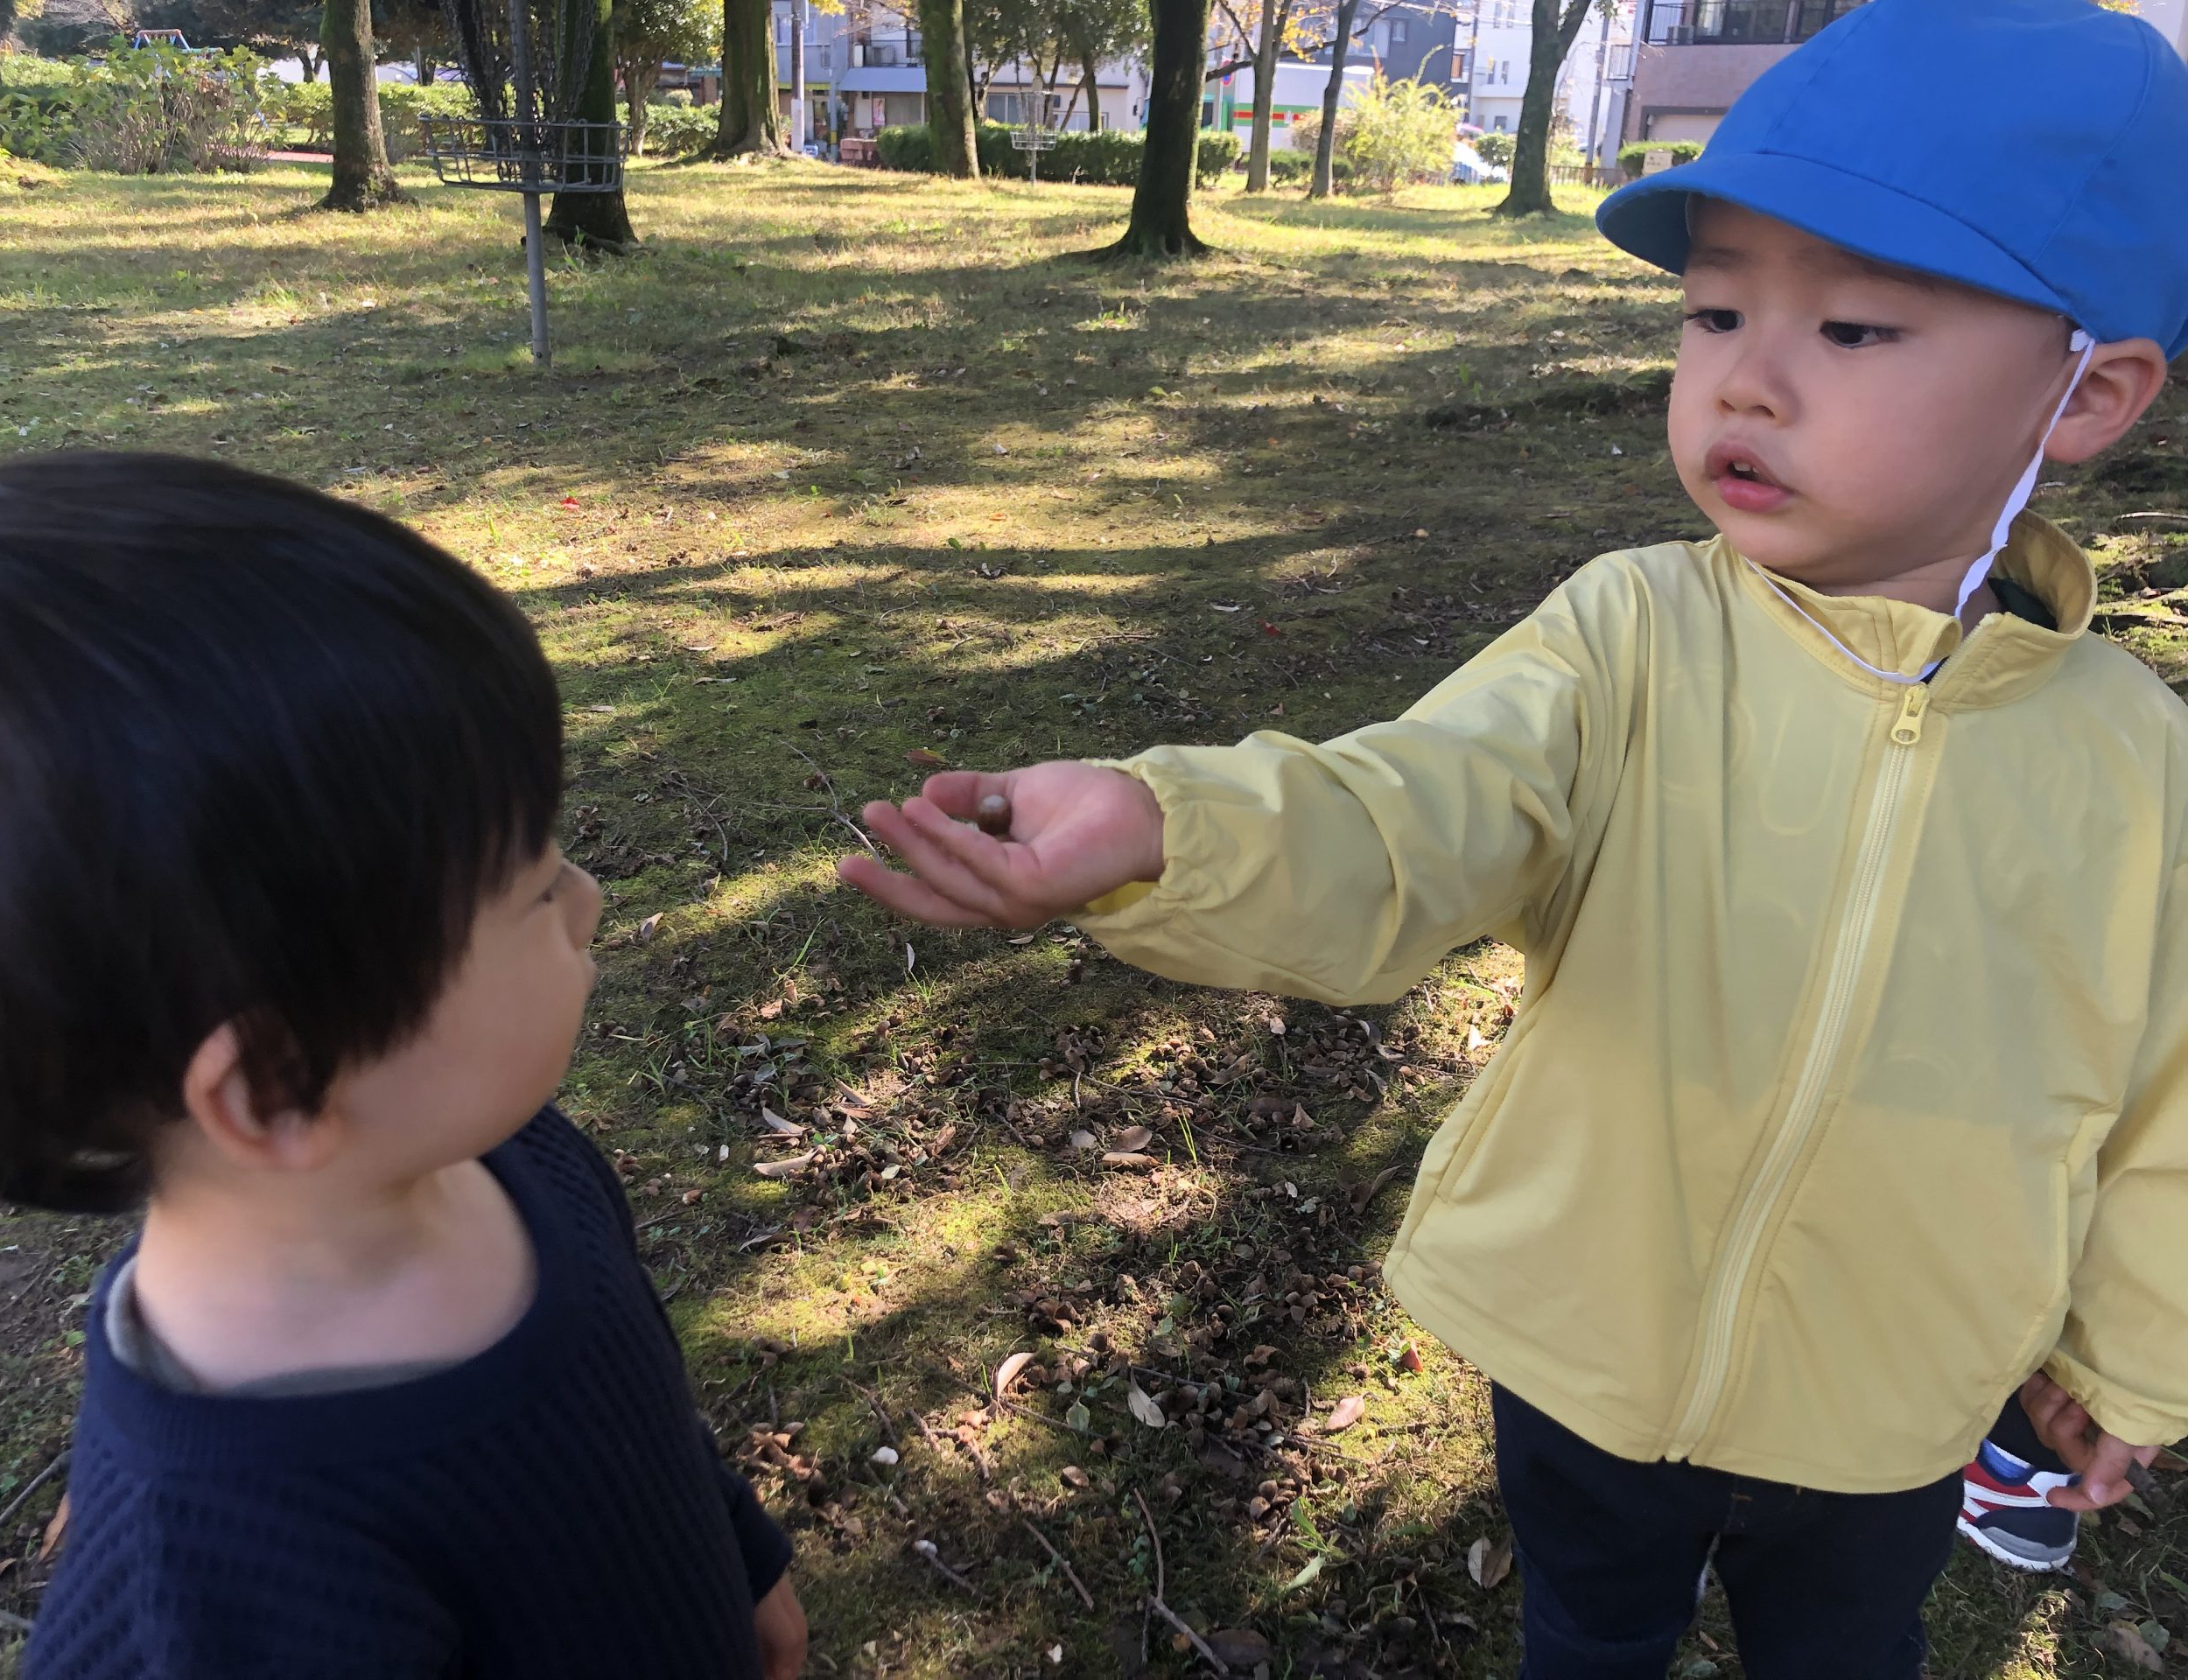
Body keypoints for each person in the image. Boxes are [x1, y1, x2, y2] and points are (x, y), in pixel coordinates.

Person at [838, 2, 2188, 1672]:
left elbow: (2164, 1090)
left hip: (1895, 1396)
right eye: (1712, 311)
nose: (1744, 378)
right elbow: (1412, 811)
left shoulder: (2135, 760)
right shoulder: (1630, 637)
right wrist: (1164, 828)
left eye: (1851, 328)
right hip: (1586, 1350)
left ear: (2088, 391)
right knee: (1588, 1637)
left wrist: (2129, 1352)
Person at [0, 454, 807, 1679]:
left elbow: (629, 1406)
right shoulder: (221, 1579)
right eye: (534, 892)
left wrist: (738, 1555)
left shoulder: (509, 1158)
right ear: (277, 1086)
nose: (590, 902)